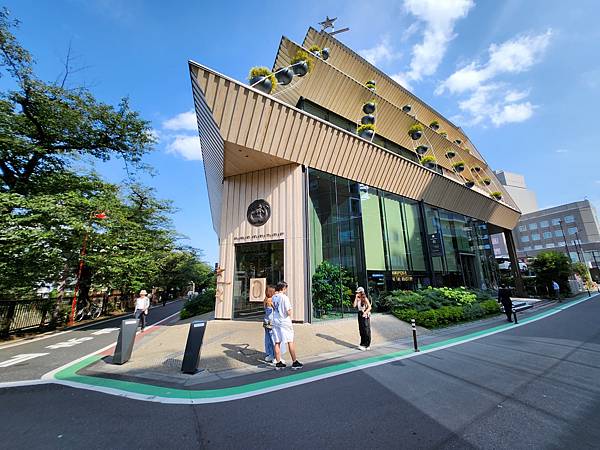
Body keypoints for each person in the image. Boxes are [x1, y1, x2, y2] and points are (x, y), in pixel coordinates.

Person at [272, 281, 303, 370]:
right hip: (284, 321)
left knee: (277, 341)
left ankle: (278, 363)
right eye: (285, 288)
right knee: (290, 340)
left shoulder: (274, 297)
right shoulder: (284, 298)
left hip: (276, 321)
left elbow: (274, 308)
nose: (286, 290)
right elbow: (288, 311)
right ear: (283, 288)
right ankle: (294, 362)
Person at [263, 285, 286, 365]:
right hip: (272, 324)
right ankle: (276, 358)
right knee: (275, 341)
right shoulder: (271, 301)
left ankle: (270, 355)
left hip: (266, 324)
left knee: (268, 340)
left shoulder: (265, 299)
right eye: (275, 291)